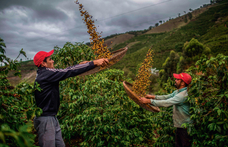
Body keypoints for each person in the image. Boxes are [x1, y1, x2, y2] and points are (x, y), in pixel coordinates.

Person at [33, 49, 109, 147]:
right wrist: (94, 63)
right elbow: (68, 72)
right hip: (46, 119)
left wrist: (80, 65)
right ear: (43, 63)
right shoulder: (46, 74)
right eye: (50, 59)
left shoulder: (44, 73)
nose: (53, 61)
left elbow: (66, 70)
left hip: (51, 117)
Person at [139, 73, 192, 147]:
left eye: (177, 79)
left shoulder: (182, 95)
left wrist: (149, 101)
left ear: (183, 83)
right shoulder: (177, 92)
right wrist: (152, 97)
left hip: (185, 128)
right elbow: (167, 97)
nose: (175, 80)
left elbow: (167, 102)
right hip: (180, 126)